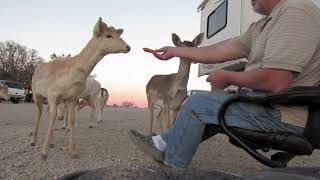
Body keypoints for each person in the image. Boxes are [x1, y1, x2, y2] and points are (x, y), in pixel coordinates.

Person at [129, 0, 320, 168]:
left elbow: (276, 80)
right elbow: (220, 50)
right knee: (206, 101)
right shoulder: (260, 27)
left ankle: (172, 165)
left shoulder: (296, 11)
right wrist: (175, 51)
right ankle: (162, 143)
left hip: (284, 115)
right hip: (264, 105)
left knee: (197, 104)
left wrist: (229, 77)